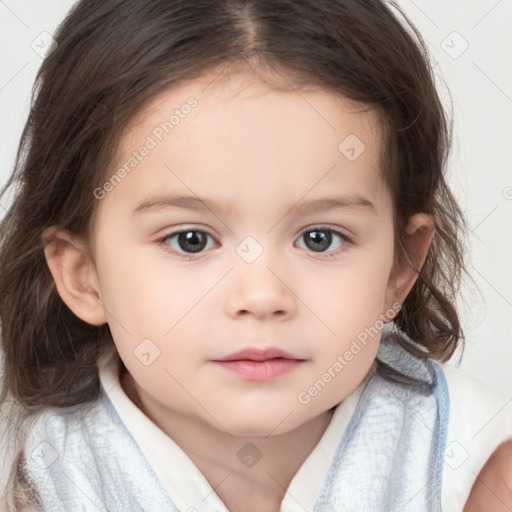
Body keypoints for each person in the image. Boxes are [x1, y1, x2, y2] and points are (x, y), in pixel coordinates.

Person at [0, 0, 511, 510]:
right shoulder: (54, 476)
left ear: (399, 267)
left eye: (320, 238)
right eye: (191, 240)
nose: (262, 295)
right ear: (83, 274)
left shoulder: (467, 462)